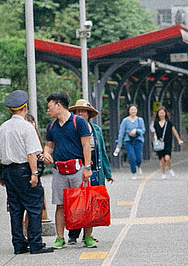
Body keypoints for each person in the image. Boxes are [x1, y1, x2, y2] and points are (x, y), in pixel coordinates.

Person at [0, 91, 53, 255]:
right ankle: (35, 243)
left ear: (10, 110)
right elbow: (31, 154)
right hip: (25, 170)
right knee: (34, 207)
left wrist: (1, 175)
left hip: (8, 171)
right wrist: (34, 173)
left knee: (15, 209)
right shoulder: (27, 127)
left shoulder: (3, 127)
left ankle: (19, 244)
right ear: (25, 107)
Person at [42, 91, 95, 248]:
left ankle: (88, 236)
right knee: (60, 205)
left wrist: (87, 167)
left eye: (49, 106)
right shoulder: (51, 126)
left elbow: (86, 145)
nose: (48, 110)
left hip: (78, 168)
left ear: (58, 105)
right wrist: (46, 153)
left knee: (84, 203)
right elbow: (49, 145)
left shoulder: (78, 122)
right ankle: (60, 237)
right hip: (59, 170)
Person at [66, 98, 112, 243]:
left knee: (91, 201)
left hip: (94, 167)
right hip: (77, 167)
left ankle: (88, 235)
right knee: (77, 201)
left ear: (88, 114)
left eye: (83, 111)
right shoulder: (72, 128)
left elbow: (102, 152)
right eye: (78, 111)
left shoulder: (96, 130)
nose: (80, 114)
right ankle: (73, 234)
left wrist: (108, 172)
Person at [151, 105, 184, 178]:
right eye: (160, 113)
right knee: (161, 159)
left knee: (167, 158)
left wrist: (179, 140)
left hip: (167, 142)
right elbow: (155, 133)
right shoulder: (155, 123)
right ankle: (163, 173)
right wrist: (155, 139)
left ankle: (169, 168)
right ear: (158, 114)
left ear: (165, 113)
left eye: (163, 113)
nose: (161, 115)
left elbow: (174, 131)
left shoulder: (169, 123)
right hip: (159, 143)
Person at [115, 104, 145, 177]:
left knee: (138, 157)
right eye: (131, 110)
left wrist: (136, 130)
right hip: (128, 140)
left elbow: (143, 130)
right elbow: (121, 132)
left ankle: (138, 165)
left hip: (138, 140)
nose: (133, 111)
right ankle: (133, 172)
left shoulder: (140, 120)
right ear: (128, 111)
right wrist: (119, 144)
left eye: (134, 109)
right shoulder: (125, 121)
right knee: (131, 157)